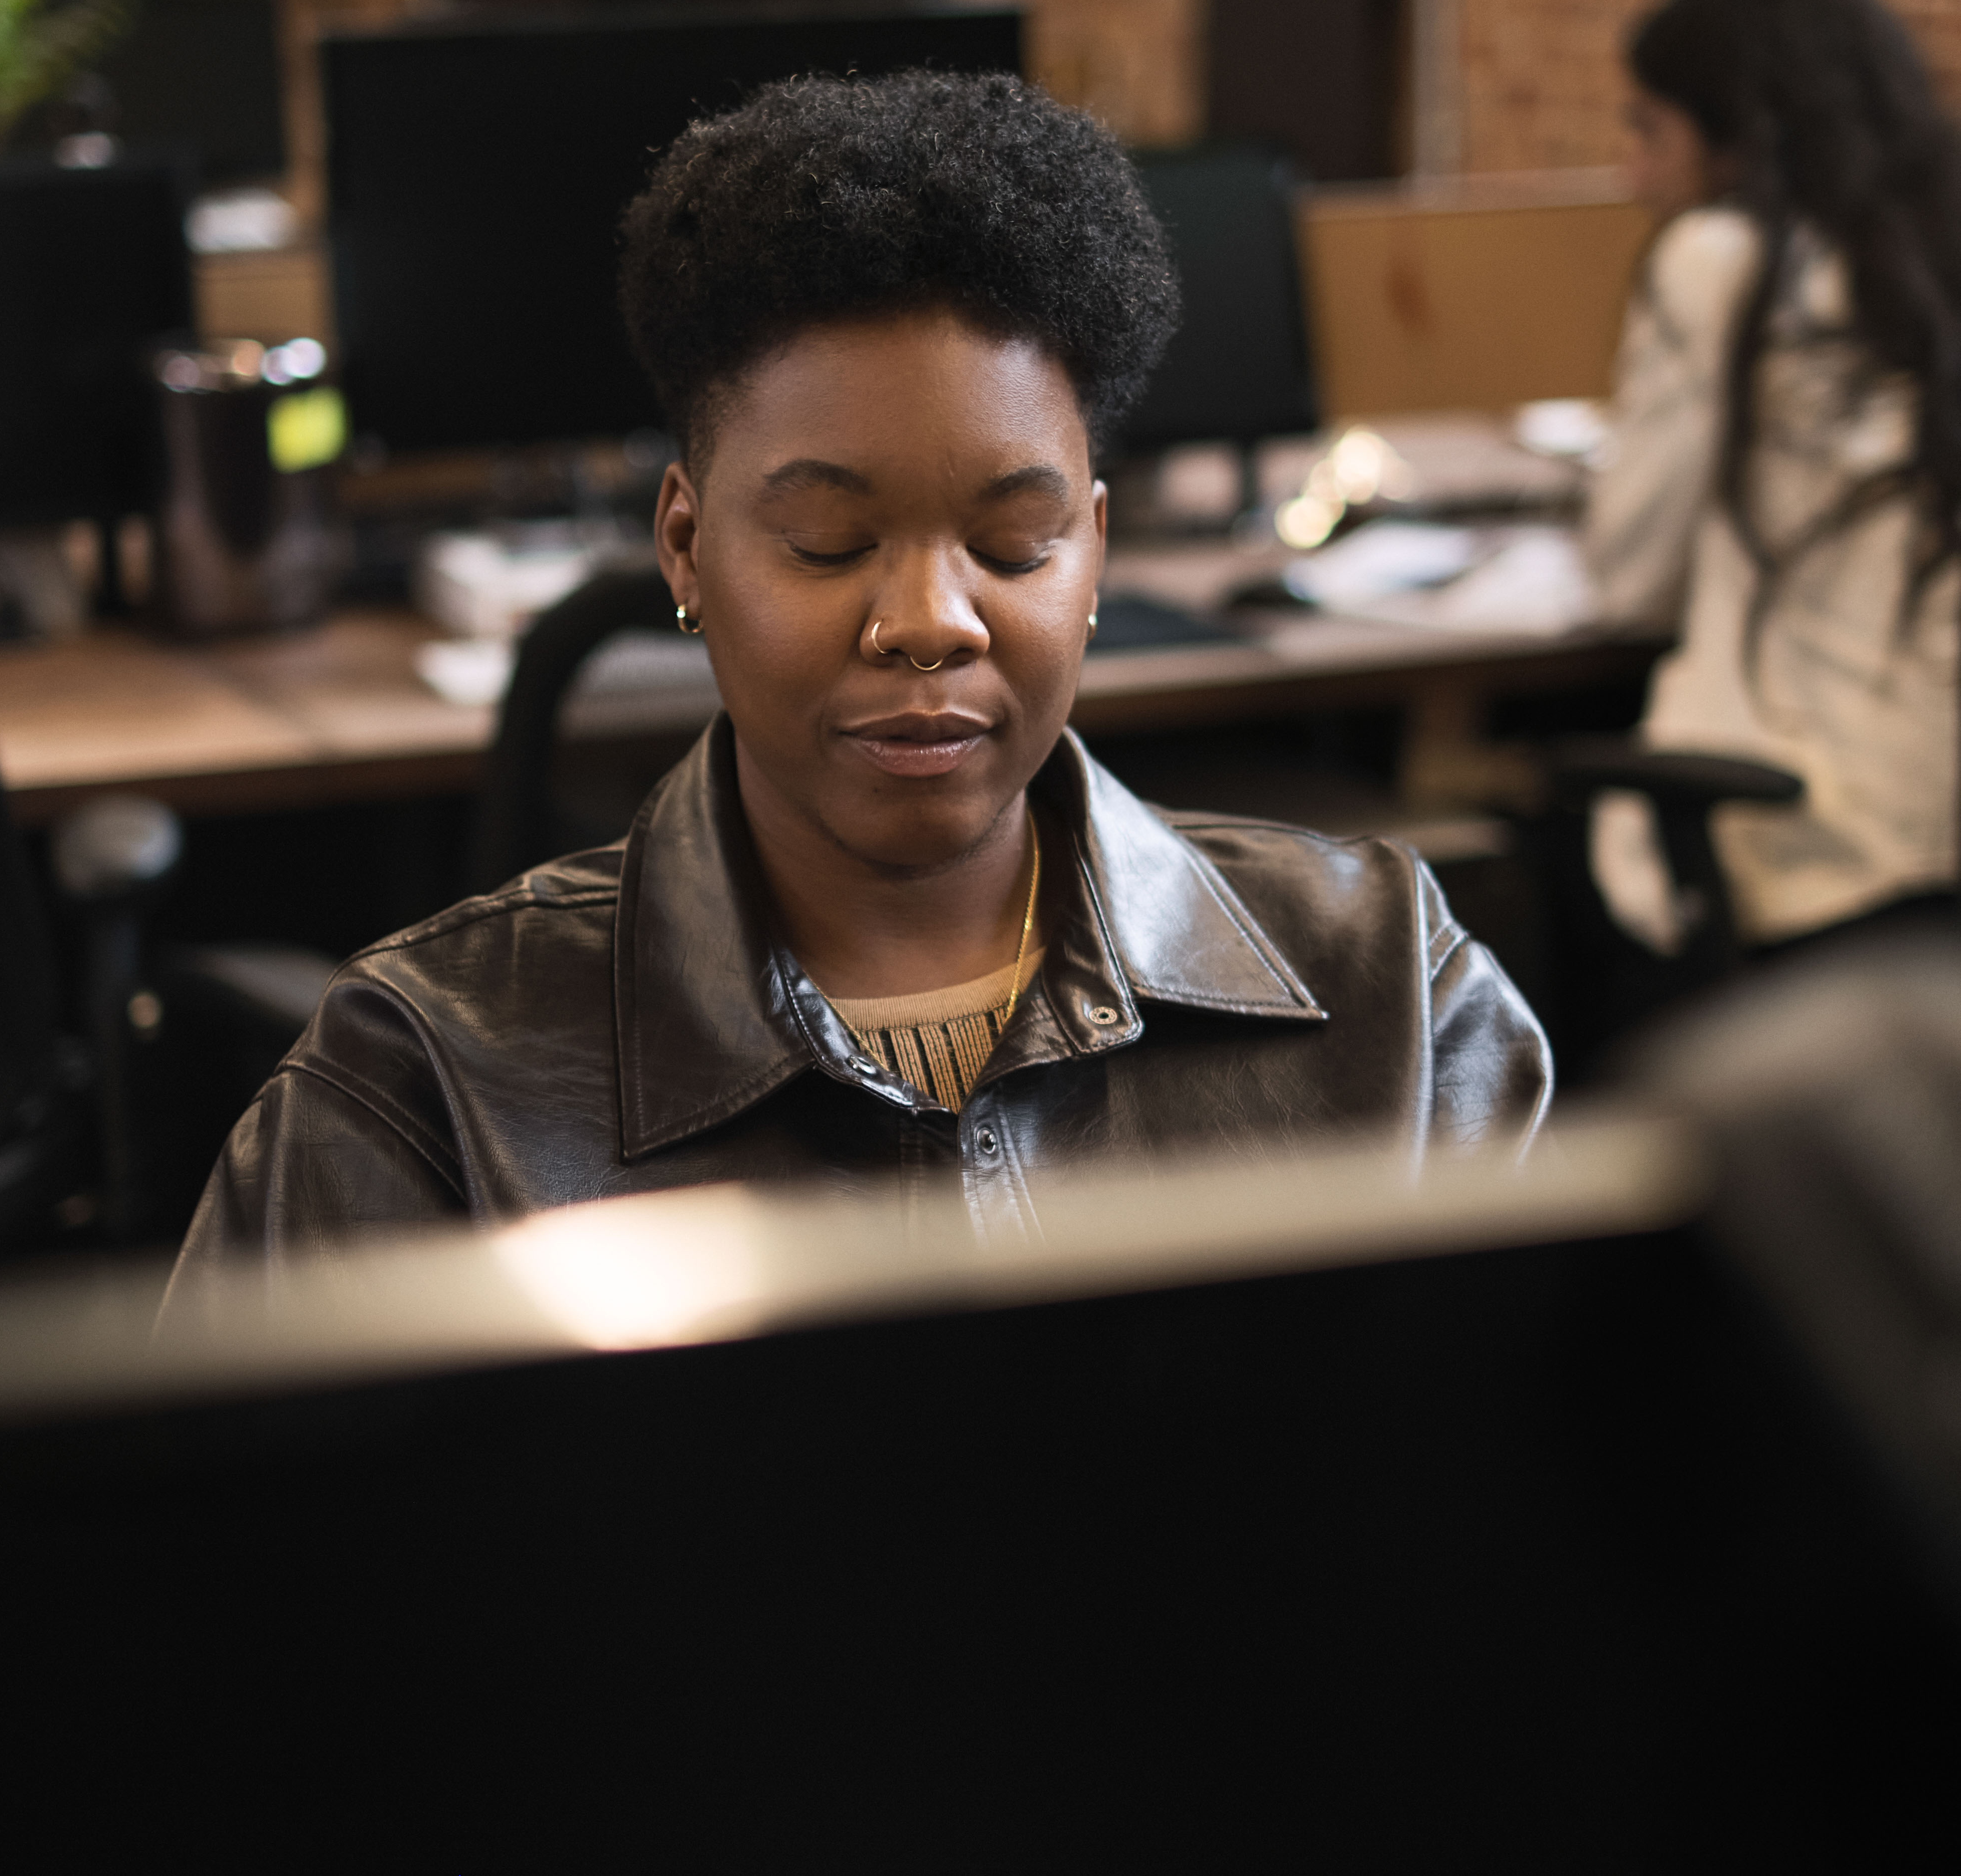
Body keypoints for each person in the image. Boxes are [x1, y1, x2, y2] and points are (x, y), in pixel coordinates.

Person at [176, 71, 1548, 1274]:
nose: (931, 621)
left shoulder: (1387, 1005)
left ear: (1095, 551)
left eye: (1015, 542)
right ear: (688, 549)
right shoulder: (427, 1092)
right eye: (830, 542)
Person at [1586, 0, 1961, 960]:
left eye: (1650, 127)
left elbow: (1628, 581)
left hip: (1810, 850)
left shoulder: (1721, 262)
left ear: (1740, 139)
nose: (1633, 169)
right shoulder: (1931, 256)